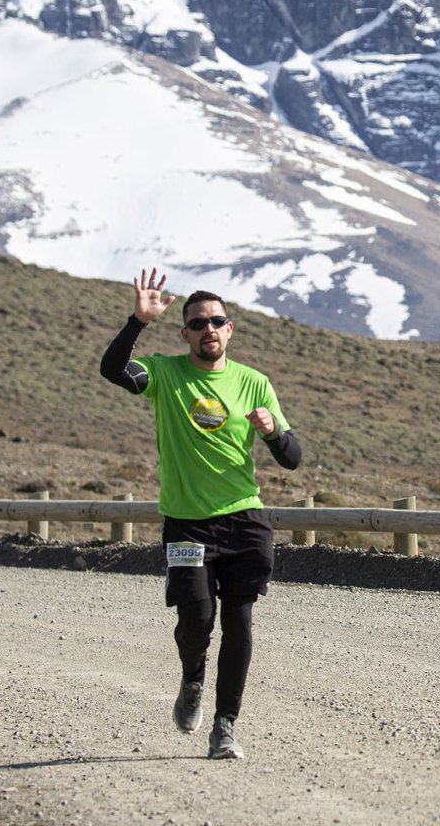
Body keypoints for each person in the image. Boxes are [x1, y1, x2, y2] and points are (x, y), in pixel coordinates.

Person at [100, 266, 301, 760]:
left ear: (229, 329)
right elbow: (114, 370)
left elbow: (292, 458)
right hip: (187, 523)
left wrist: (274, 429)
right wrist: (137, 321)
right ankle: (192, 679)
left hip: (244, 520)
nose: (208, 329)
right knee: (196, 618)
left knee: (240, 621)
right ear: (184, 332)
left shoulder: (254, 383)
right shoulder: (166, 374)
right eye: (198, 323)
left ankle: (225, 725)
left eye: (217, 321)